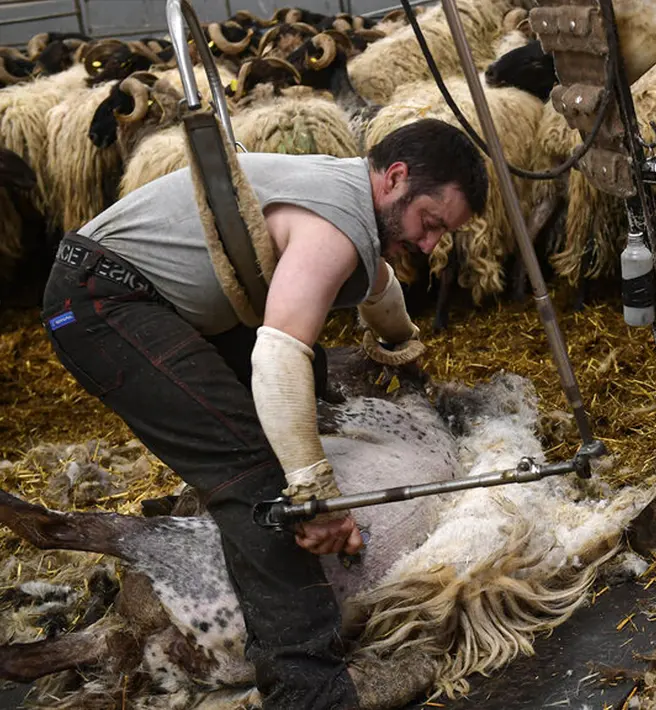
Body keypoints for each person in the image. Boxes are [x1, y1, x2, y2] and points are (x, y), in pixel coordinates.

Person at [39, 117, 489, 708]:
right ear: (396, 178)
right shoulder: (337, 225)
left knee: (310, 387)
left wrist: (403, 349)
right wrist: (314, 495)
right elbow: (278, 356)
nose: (431, 244)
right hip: (102, 301)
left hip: (139, 292)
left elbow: (378, 289)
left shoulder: (350, 196)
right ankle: (308, 685)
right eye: (430, 223)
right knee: (259, 476)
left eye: (441, 234)